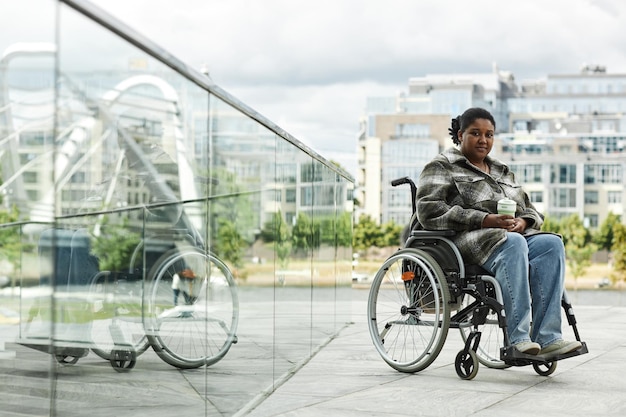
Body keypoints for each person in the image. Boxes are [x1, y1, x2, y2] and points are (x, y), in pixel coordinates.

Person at [415, 107, 582, 358]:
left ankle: (548, 338)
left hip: (509, 237)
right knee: (513, 242)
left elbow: (531, 210)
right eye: (476, 133)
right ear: (460, 135)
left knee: (551, 243)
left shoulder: (501, 170)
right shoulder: (443, 166)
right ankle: (518, 340)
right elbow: (429, 211)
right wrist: (485, 219)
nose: (483, 140)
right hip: (463, 241)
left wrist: (523, 222)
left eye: (489, 134)